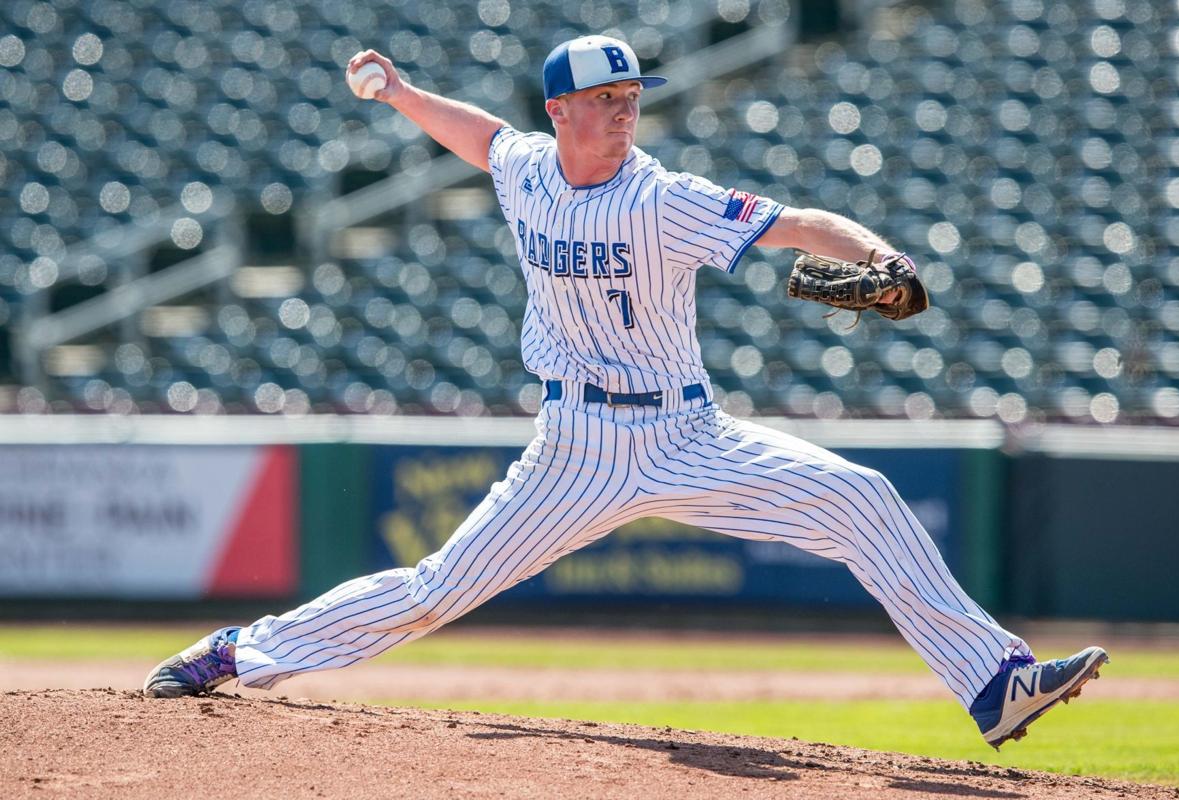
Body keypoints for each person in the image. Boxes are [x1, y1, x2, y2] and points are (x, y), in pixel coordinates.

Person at [143, 35, 1107, 749]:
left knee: (862, 498)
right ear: (559, 111)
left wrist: (880, 256)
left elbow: (801, 222)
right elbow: (481, 137)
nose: (623, 108)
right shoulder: (528, 170)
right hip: (573, 450)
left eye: (631, 93)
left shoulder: (664, 197)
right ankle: (238, 652)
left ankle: (997, 680)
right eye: (602, 97)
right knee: (434, 590)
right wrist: (399, 93)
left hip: (688, 434)